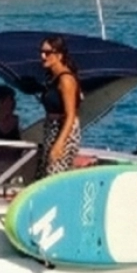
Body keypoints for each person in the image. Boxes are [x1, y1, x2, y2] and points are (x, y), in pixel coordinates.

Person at [38, 36, 82, 176]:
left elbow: (70, 116)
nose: (42, 56)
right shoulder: (52, 78)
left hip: (64, 132)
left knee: (54, 175)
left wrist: (59, 144)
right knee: (44, 174)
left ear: (59, 55)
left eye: (47, 52)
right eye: (41, 52)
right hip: (51, 130)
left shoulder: (66, 80)